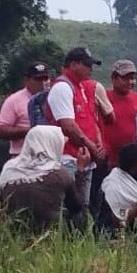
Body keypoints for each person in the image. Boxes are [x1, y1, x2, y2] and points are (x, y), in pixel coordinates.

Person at [46, 47, 107, 209]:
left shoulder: (80, 88)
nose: (90, 69)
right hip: (68, 157)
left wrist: (98, 143)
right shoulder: (62, 87)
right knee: (67, 207)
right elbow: (68, 126)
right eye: (87, 65)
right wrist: (92, 146)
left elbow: (90, 120)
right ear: (73, 64)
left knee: (82, 207)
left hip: (85, 157)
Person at [0, 125, 86, 232]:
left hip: (14, 232)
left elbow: (0, 201)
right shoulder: (58, 173)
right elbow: (77, 206)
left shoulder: (9, 168)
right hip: (49, 234)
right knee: (79, 215)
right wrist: (81, 170)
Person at [0, 62, 51, 157]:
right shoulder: (14, 100)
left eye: (45, 79)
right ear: (26, 80)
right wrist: (31, 131)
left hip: (50, 155)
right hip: (22, 155)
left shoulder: (54, 98)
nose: (42, 83)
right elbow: (1, 131)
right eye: (37, 79)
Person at [100, 59, 137, 167]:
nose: (130, 82)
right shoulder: (102, 98)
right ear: (113, 78)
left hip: (133, 161)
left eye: (132, 78)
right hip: (107, 159)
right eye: (125, 78)